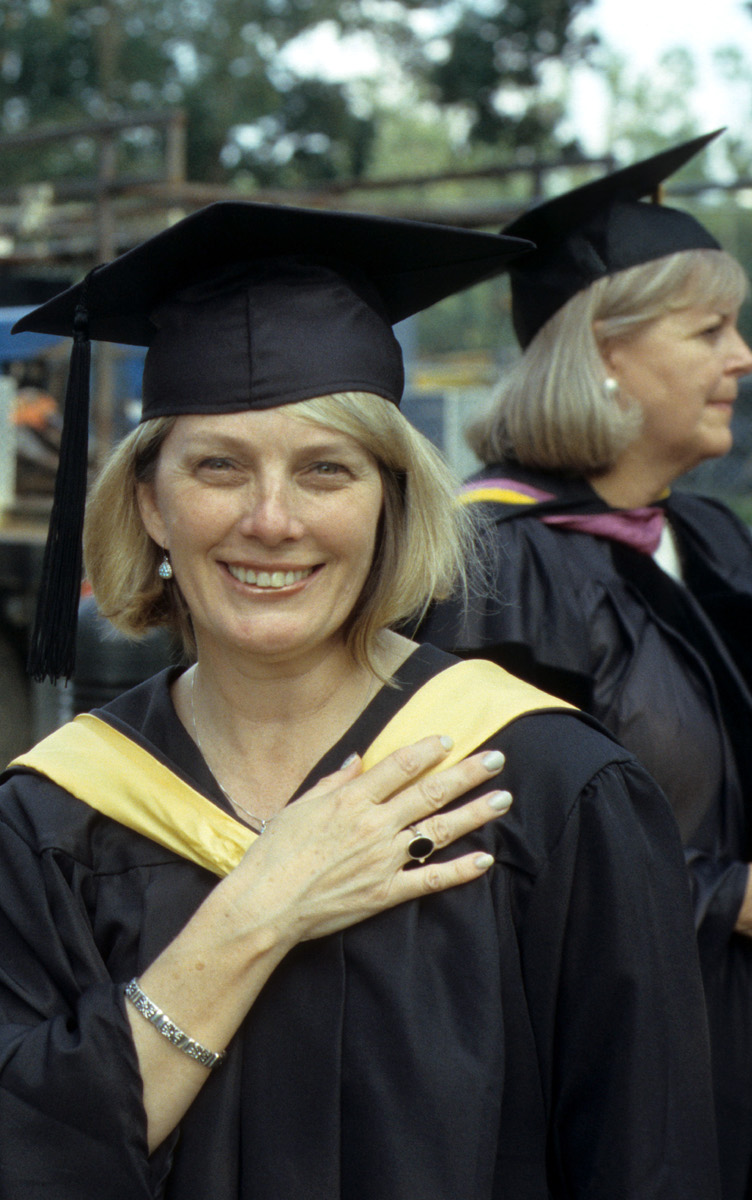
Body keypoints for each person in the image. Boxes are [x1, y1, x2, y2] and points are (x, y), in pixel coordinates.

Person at [0, 201, 720, 1199]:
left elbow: (649, 1160)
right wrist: (256, 909)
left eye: (326, 470)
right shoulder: (50, 821)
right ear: (151, 502)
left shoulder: (547, 789)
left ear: (390, 501)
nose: (272, 519)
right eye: (219, 466)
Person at [421, 131, 752, 1199]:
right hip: (606, 1082)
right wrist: (727, 899)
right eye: (709, 331)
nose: (744, 357)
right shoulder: (494, 567)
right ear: (602, 351)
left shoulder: (707, 537)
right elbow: (485, 856)